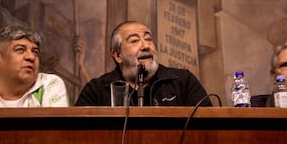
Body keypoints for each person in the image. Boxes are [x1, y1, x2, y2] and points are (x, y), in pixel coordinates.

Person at [75, 21, 212, 106]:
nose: (146, 46)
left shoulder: (182, 81)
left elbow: (208, 129)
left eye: (148, 39)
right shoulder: (96, 90)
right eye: (134, 41)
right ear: (117, 55)